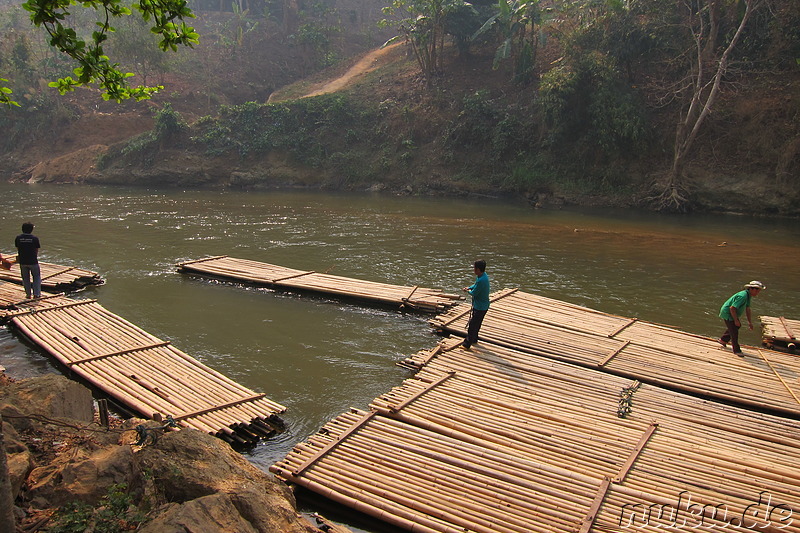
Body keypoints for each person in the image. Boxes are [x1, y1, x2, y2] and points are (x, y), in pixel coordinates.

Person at [718, 280, 765, 356]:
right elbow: (732, 308)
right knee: (734, 332)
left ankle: (723, 340)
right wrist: (736, 320)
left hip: (732, 313)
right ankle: (736, 350)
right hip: (728, 313)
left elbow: (748, 308)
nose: (758, 293)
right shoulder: (742, 296)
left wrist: (750, 322)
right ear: (752, 289)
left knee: (736, 326)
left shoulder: (748, 296)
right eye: (757, 291)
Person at [461, 259, 490, 350]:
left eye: (474, 268)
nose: (473, 270)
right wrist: (469, 287)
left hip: (480, 307)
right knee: (477, 324)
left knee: (472, 325)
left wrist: (467, 291)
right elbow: (475, 285)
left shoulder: (482, 280)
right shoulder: (482, 276)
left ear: (478, 269)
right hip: (482, 306)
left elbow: (474, 293)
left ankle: (467, 344)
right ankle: (474, 339)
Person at [15, 222, 41, 299]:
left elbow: (18, 248)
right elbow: (36, 250)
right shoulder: (34, 238)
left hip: (23, 261)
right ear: (31, 230)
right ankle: (36, 294)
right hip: (33, 261)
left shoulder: (18, 238)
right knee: (36, 277)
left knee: (25, 278)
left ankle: (28, 294)